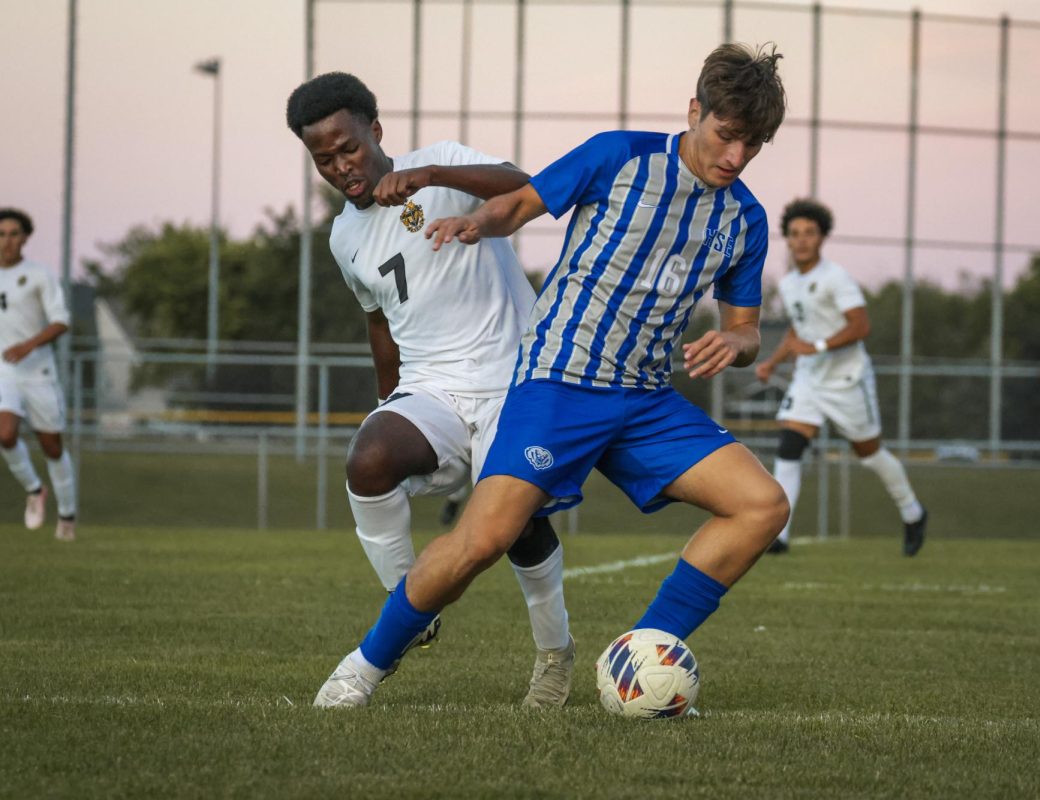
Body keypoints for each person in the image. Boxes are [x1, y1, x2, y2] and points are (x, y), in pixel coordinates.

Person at [312, 43, 791, 708]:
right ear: (694, 112)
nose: (736, 156)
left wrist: (734, 340)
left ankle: (644, 651)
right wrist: (477, 222)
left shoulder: (745, 219)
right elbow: (519, 202)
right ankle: (363, 667)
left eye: (754, 144)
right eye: (726, 134)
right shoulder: (618, 156)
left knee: (763, 505)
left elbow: (746, 325)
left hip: (647, 399)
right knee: (484, 540)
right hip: (558, 382)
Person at [285, 72, 574, 709]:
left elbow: (529, 186)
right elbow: (380, 323)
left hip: (514, 380)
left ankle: (555, 656)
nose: (340, 165)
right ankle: (411, 608)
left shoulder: (441, 164)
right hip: (432, 387)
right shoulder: (343, 237)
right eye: (323, 157)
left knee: (516, 524)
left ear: (376, 131)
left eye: (348, 148)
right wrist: (386, 403)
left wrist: (434, 176)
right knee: (369, 458)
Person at [754, 199, 927, 556]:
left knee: (869, 453)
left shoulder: (836, 278)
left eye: (809, 233)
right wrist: (774, 361)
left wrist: (817, 346)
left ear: (821, 238)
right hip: (809, 380)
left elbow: (860, 326)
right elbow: (797, 330)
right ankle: (780, 535)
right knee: (789, 446)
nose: (801, 240)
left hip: (847, 380)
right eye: (795, 234)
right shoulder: (788, 284)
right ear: (787, 238)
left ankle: (913, 512)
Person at [0, 209, 76, 542]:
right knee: (4, 434)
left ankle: (67, 515)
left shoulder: (39, 275)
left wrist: (29, 345)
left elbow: (61, 321)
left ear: (26, 237)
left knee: (52, 447)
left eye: (14, 233)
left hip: (39, 371)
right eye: (1, 234)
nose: (7, 241)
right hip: (4, 370)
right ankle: (34, 489)